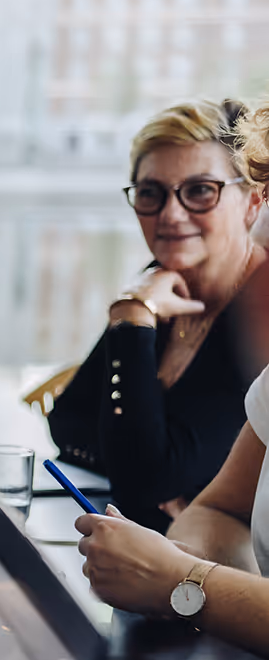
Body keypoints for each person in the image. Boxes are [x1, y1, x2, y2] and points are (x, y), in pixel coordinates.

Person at [49, 99, 266, 530]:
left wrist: (130, 317)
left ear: (252, 203)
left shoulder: (258, 311)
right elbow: (67, 422)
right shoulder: (159, 284)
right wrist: (143, 466)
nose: (170, 214)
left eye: (201, 190)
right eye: (151, 192)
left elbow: (143, 482)